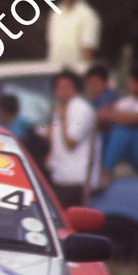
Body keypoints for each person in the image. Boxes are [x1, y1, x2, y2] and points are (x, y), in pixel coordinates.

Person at [46, 69, 98, 208]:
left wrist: (62, 118)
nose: (62, 91)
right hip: (60, 177)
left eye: (67, 87)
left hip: (76, 180)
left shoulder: (80, 108)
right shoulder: (61, 107)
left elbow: (71, 141)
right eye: (58, 87)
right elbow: (52, 138)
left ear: (75, 88)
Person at [45, 0, 100, 73]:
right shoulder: (55, 13)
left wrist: (83, 71)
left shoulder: (88, 15)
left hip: (76, 72)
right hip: (54, 69)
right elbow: (51, 43)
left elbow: (88, 47)